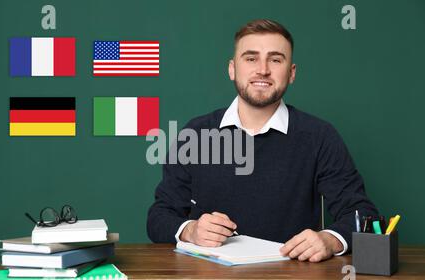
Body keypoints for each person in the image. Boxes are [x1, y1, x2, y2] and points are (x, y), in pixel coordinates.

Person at [147, 19, 378, 262]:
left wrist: (329, 240)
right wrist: (190, 230)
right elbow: (159, 216)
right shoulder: (196, 134)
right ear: (232, 69)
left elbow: (362, 214)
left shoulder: (319, 136)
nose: (263, 69)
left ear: (291, 73)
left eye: (276, 59)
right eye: (251, 58)